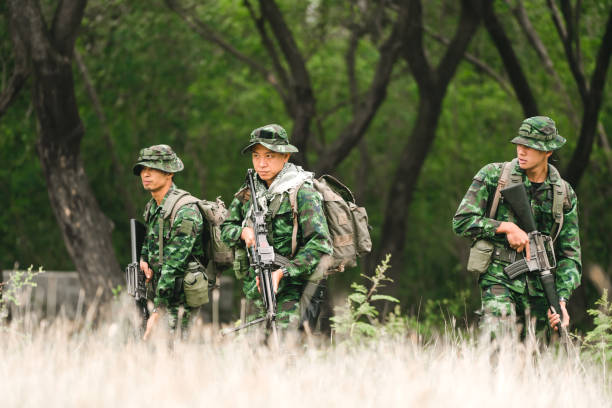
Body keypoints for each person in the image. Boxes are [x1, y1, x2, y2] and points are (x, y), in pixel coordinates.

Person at [453, 116, 581, 340]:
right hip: (498, 276)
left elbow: (570, 256)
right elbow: (462, 221)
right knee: (496, 342)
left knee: (534, 358)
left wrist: (560, 300)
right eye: (519, 144)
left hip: (541, 288)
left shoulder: (564, 194)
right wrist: (505, 227)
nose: (521, 151)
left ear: (548, 152)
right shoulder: (494, 176)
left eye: (529, 146)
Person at [220, 124, 333, 330]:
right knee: (255, 356)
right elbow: (226, 228)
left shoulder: (302, 192)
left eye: (269, 156)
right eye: (256, 156)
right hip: (256, 289)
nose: (261, 164)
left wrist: (282, 273)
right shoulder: (250, 191)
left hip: (295, 291)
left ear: (285, 157)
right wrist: (242, 232)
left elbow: (321, 245)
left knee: (289, 353)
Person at [133, 144, 205, 340]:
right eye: (143, 169)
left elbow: (174, 265)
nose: (145, 174)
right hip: (160, 294)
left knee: (173, 352)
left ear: (169, 173)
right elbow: (150, 241)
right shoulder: (153, 207)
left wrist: (157, 310)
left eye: (153, 169)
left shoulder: (186, 211)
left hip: (181, 297)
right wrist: (143, 259)